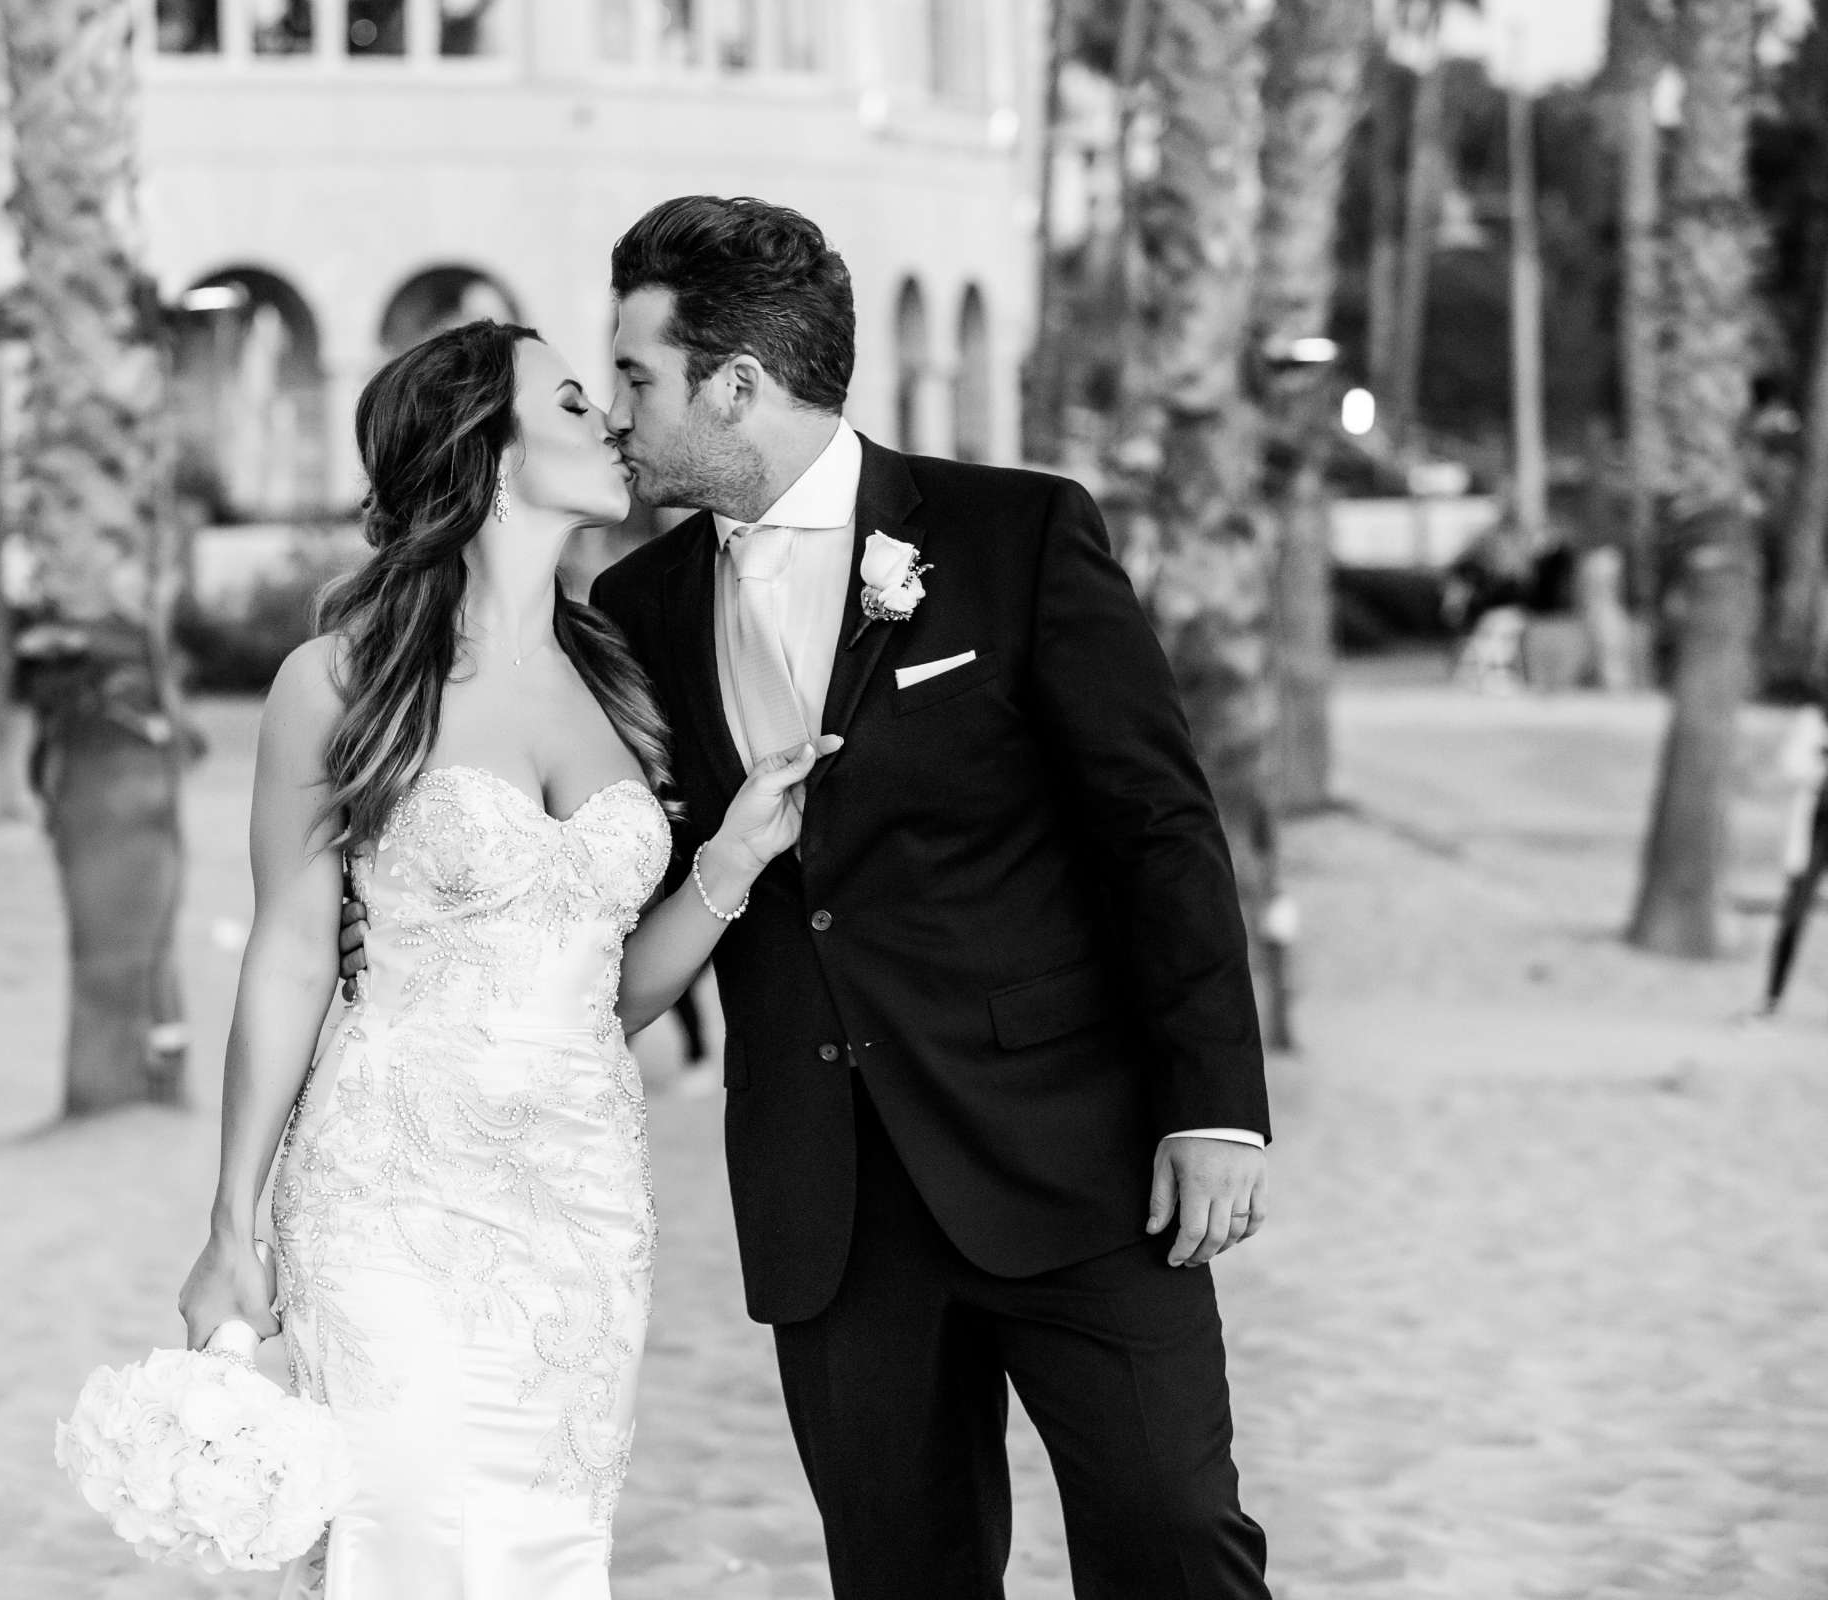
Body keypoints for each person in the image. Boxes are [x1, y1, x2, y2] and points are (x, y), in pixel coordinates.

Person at [344, 195, 1276, 1600]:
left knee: (1175, 1544)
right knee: (900, 1578)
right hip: (827, 1202)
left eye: (641, 381)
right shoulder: (638, 615)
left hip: (1074, 1160)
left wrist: (1214, 1105)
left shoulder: (1014, 533)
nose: (624, 420)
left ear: (738, 384)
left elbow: (1157, 828)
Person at [176, 319, 832, 1599]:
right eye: (577, 402)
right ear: (485, 454)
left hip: (582, 1215)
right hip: (388, 1192)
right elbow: (293, 954)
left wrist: (733, 864)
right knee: (408, 1544)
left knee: (543, 1552)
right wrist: (230, 1222)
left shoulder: (626, 675)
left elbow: (614, 998)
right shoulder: (341, 681)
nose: (612, 423)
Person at [1763, 696, 1828, 1014]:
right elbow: (1790, 766)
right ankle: (1772, 999)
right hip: (1814, 828)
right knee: (1794, 913)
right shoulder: (1812, 721)